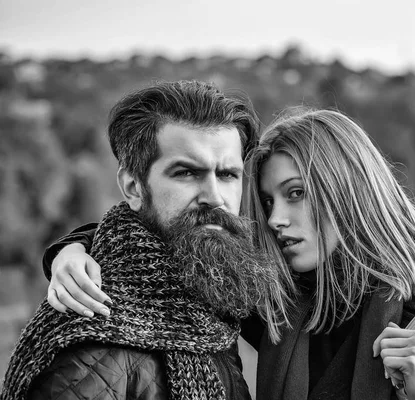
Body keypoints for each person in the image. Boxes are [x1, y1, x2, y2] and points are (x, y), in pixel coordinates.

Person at [39, 108, 415, 399]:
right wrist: (74, 250)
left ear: (350, 190)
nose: (276, 219)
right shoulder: (270, 303)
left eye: (297, 194)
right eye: (270, 200)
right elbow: (166, 240)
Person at [1, 80, 290, 400]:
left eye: (227, 175)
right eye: (186, 173)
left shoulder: (214, 288)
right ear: (133, 187)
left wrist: (72, 246)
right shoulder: (94, 346)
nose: (214, 197)